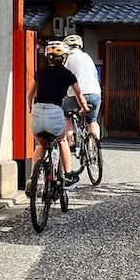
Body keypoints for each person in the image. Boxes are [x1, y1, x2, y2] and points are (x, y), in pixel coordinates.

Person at [26, 42, 89, 195]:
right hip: (54, 112)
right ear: (64, 59)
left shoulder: (39, 73)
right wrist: (84, 108)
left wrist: (30, 108)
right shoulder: (68, 75)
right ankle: (68, 175)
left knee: (41, 145)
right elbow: (79, 95)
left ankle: (32, 179)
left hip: (38, 112)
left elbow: (30, 95)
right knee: (62, 141)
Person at [62, 34, 102, 141]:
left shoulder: (68, 58)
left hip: (77, 95)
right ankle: (95, 146)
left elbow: (62, 77)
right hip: (95, 94)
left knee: (66, 115)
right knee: (92, 120)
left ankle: (70, 142)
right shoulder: (88, 57)